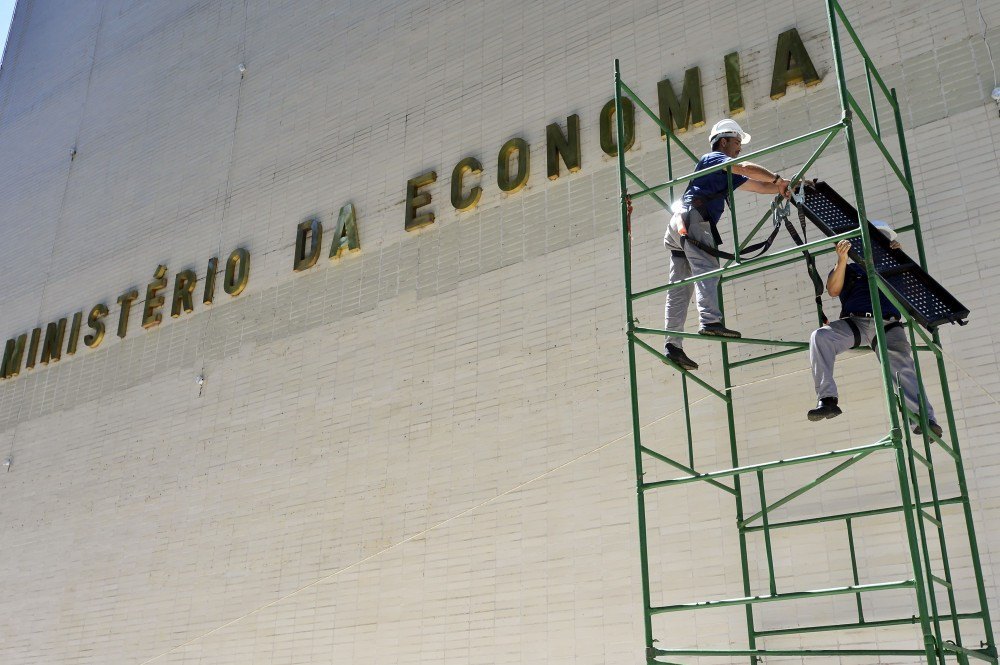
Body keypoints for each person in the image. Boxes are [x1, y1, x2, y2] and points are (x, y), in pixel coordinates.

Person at [663, 119, 791, 371]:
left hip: (679, 224)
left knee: (679, 288)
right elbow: (745, 168)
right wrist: (777, 178)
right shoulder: (713, 159)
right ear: (722, 142)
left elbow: (758, 186)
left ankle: (672, 345)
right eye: (736, 142)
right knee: (708, 269)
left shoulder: (723, 172)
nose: (739, 148)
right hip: (693, 220)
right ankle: (710, 322)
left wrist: (783, 187)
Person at [807, 222, 942, 436]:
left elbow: (914, 291)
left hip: (887, 323)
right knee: (820, 337)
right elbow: (833, 290)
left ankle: (924, 419)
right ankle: (827, 399)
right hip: (856, 323)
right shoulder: (849, 269)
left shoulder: (893, 268)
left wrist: (899, 260)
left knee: (902, 365)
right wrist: (842, 260)